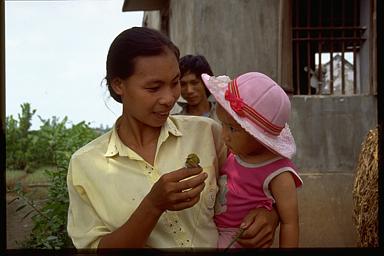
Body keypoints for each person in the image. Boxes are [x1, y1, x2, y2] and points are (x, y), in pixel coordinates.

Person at [66, 27, 279, 249]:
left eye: (175, 82)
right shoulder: (85, 165)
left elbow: (260, 181)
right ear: (119, 85)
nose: (169, 98)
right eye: (154, 87)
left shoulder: (208, 133)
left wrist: (269, 215)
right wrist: (152, 206)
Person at [202, 72, 303, 248]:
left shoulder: (279, 173)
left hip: (242, 239)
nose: (224, 136)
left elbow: (290, 223)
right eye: (222, 124)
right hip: (213, 231)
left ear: (259, 136)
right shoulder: (236, 152)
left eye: (232, 129)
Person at [174, 54, 219, 122]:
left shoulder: (224, 117)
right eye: (183, 84)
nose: (189, 90)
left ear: (205, 83)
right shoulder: (175, 122)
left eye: (194, 83)